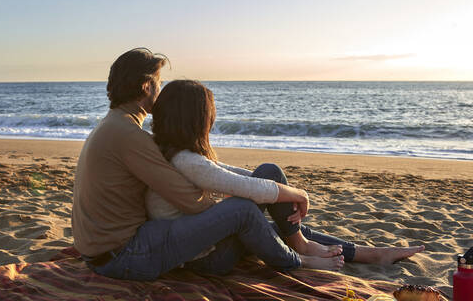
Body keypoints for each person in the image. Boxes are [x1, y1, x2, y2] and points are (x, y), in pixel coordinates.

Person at [71, 48, 424, 281]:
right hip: (125, 254)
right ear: (147, 85)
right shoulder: (129, 135)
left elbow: (202, 179)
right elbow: (191, 199)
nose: (160, 94)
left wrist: (255, 191)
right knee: (244, 211)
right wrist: (241, 204)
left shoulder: (118, 128)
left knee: (256, 208)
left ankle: (361, 252)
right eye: (158, 84)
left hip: (117, 248)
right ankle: (302, 258)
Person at [147, 79, 344, 270]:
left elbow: (224, 172)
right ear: (196, 120)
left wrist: (276, 184)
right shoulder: (186, 161)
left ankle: (302, 243)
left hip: (196, 243)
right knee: (248, 202)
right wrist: (300, 194)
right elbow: (249, 188)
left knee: (269, 173)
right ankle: (299, 257)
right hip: (206, 257)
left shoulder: (166, 151)